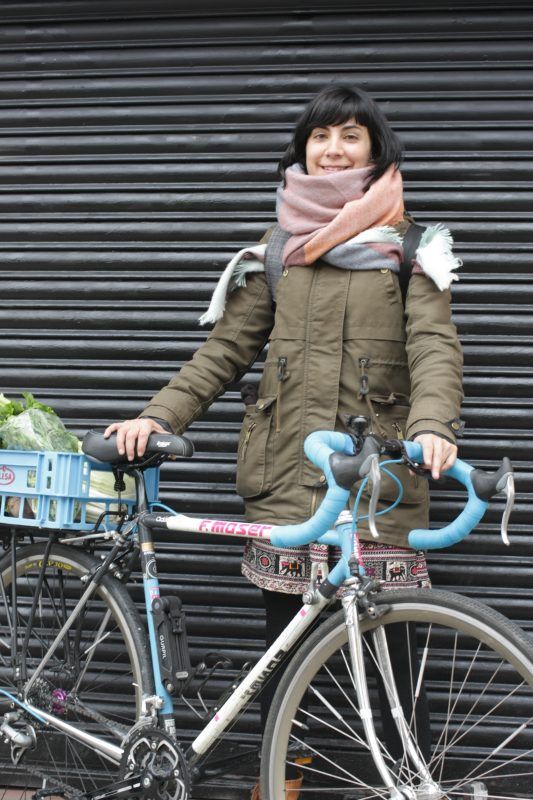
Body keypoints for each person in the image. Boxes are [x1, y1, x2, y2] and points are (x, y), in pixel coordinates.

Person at [105, 84, 463, 799]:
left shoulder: (411, 247)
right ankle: (278, 785)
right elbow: (224, 352)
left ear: (376, 150)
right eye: (320, 136)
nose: (333, 149)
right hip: (286, 481)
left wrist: (431, 424)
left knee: (395, 658)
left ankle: (416, 784)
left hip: (376, 482)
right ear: (302, 150)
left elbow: (434, 346)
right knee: (282, 656)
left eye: (350, 136)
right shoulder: (278, 251)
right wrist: (159, 416)